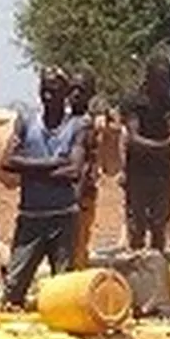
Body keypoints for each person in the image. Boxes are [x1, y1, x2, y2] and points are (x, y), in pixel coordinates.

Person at [1, 68, 87, 308]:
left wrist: (29, 170)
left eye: (55, 91)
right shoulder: (26, 121)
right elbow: (7, 161)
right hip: (31, 216)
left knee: (64, 290)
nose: (48, 96)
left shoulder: (77, 126)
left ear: (66, 94)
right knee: (14, 287)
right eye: (44, 90)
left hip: (63, 218)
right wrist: (51, 163)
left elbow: (74, 171)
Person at [121, 55, 170, 251]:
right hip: (138, 171)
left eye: (169, 80)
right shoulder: (133, 101)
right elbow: (133, 138)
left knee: (160, 224)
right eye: (161, 80)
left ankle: (156, 269)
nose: (166, 85)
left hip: (164, 172)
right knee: (137, 226)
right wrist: (162, 145)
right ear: (149, 79)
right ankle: (138, 271)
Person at [67, 67, 104, 267]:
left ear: (91, 94)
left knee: (79, 244)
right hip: (60, 194)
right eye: (72, 89)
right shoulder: (60, 122)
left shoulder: (92, 126)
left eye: (81, 90)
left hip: (83, 196)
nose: (75, 94)